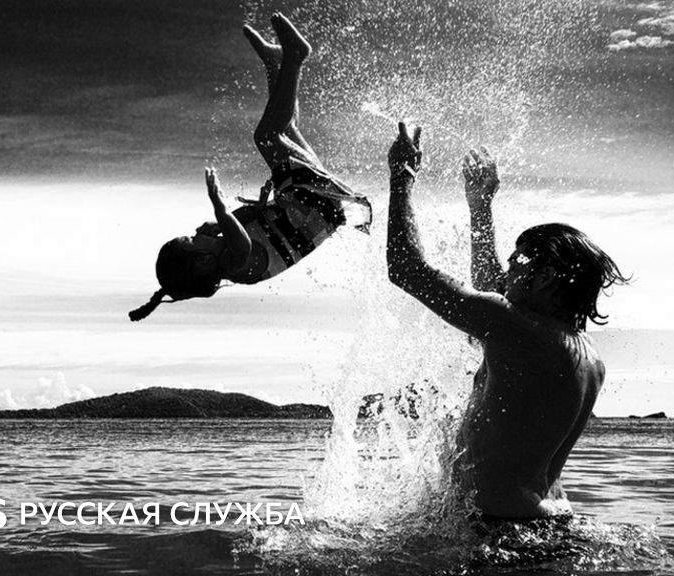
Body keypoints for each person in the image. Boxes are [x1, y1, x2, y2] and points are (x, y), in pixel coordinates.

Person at [385, 124, 628, 520]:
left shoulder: (522, 332)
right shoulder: (584, 354)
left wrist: (402, 176)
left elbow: (406, 269)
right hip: (548, 520)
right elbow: (494, 292)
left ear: (545, 277)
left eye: (517, 262)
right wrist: (480, 207)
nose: (507, 272)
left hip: (501, 530)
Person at [129, 14, 371, 322]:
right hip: (313, 203)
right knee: (268, 136)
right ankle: (295, 57)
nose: (195, 233)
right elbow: (242, 244)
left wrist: (219, 225)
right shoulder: (236, 265)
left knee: (285, 129)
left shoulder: (223, 249)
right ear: (202, 261)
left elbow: (249, 222)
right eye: (190, 240)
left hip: (311, 202)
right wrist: (220, 210)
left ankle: (275, 62)